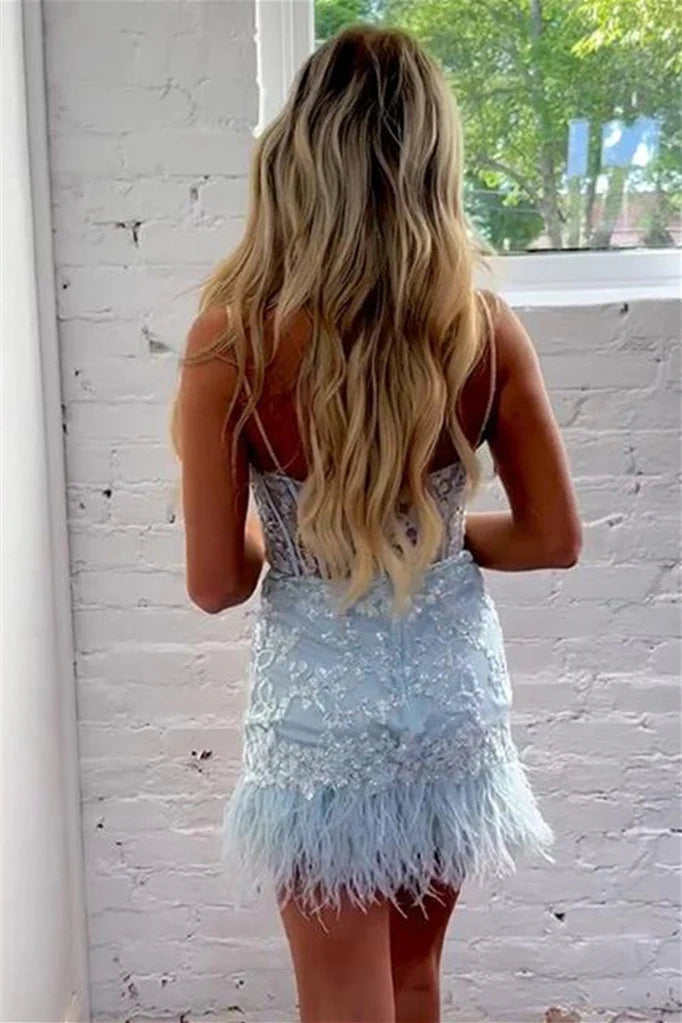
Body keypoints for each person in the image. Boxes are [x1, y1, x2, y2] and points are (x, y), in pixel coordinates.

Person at [170, 23, 582, 1023]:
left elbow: (218, 583)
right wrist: (430, 542)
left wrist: (298, 543)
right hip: (450, 706)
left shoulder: (232, 341)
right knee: (410, 980)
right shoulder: (483, 328)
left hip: (324, 727)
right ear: (434, 164)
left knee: (342, 1002)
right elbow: (551, 538)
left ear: (297, 158)